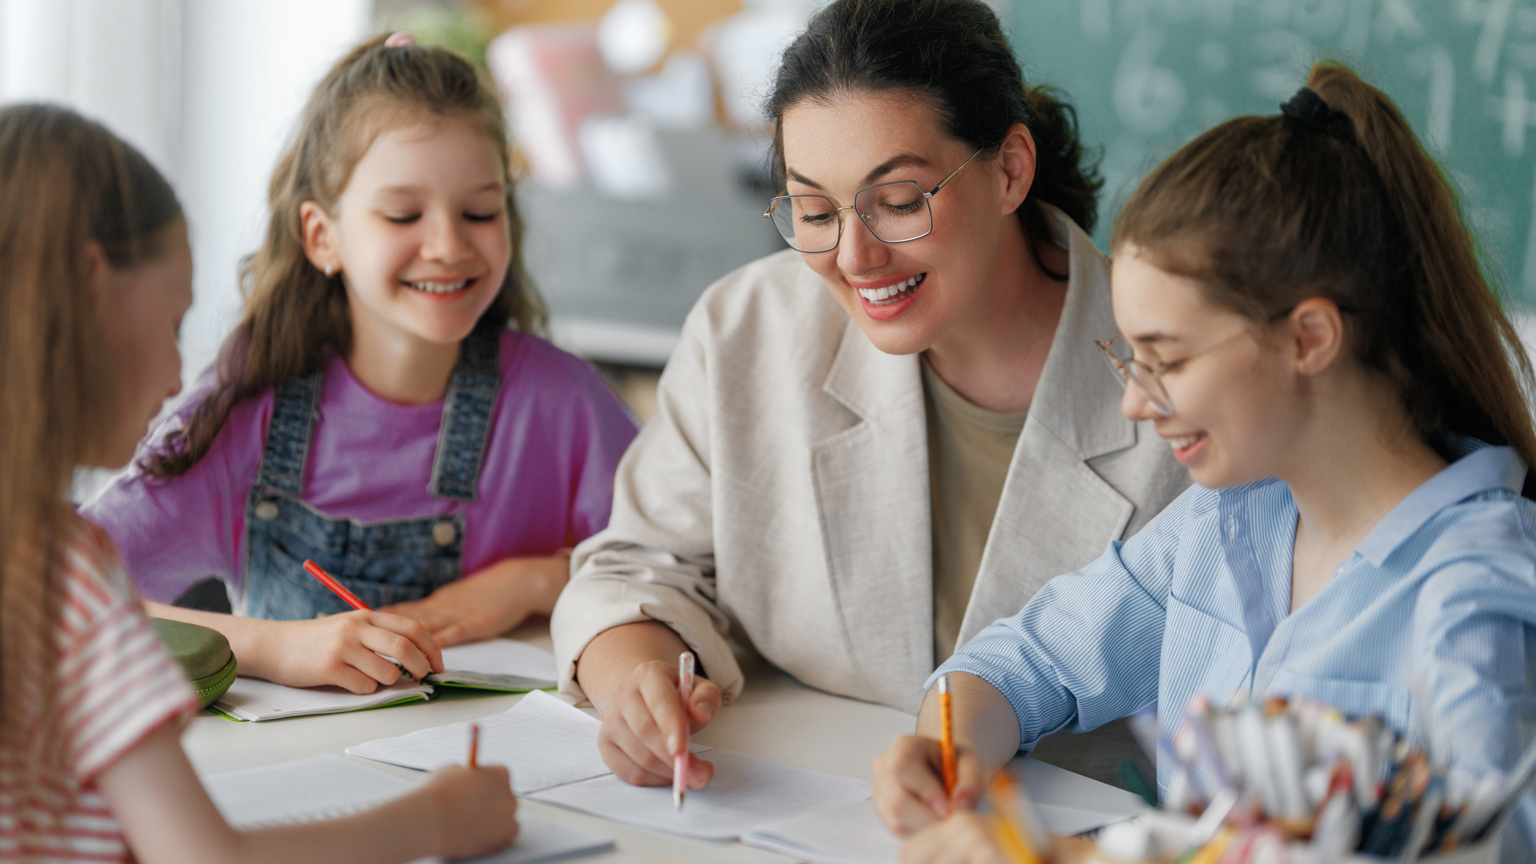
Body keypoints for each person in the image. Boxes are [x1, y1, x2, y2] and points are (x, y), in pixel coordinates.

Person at [873, 62, 1536, 863]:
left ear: (1309, 339)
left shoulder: (1478, 592)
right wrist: (951, 748)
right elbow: (1026, 661)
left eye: (1169, 360)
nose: (1135, 403)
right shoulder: (1229, 520)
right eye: (1132, 360)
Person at [552, 0, 1189, 794]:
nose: (856, 255)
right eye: (814, 211)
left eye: (899, 201)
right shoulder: (749, 328)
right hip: (795, 810)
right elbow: (637, 566)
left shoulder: (1183, 371)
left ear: (1011, 170)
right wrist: (635, 682)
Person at [0, 102, 519, 864]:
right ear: (90, 285)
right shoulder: (59, 570)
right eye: (174, 324)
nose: (181, 375)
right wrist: (437, 821)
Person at [82, 33, 637, 694]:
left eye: (480, 211)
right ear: (323, 237)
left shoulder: (563, 401)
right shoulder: (251, 405)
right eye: (404, 213)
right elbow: (49, 595)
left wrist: (535, 580)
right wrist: (274, 648)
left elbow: (683, 570)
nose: (448, 243)